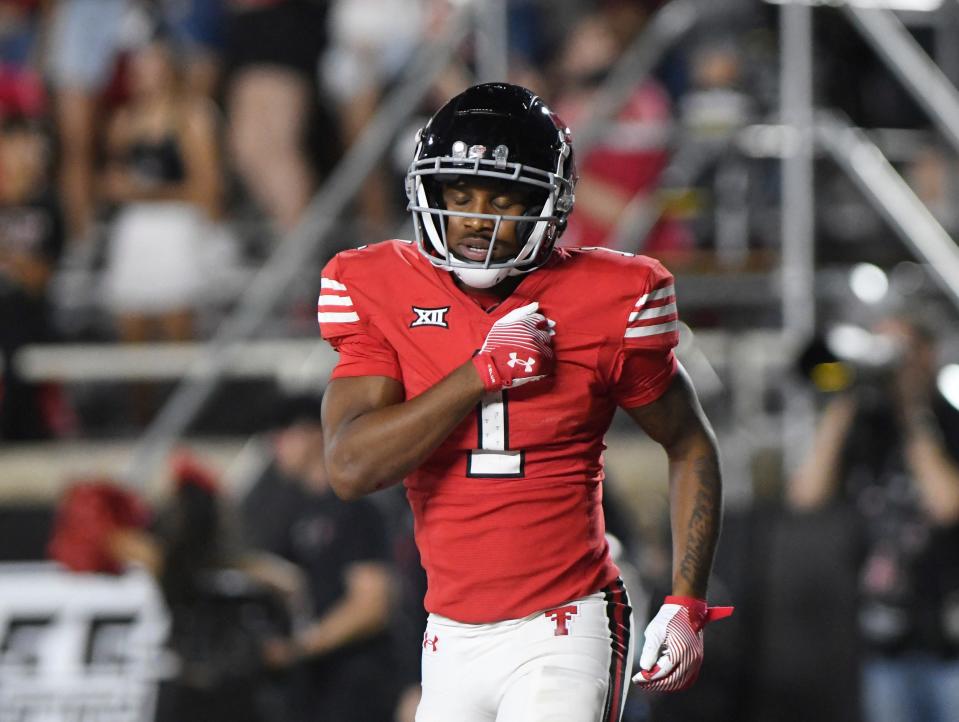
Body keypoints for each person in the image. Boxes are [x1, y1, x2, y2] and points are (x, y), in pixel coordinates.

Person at [317, 82, 732, 722]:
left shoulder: (611, 295)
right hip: (446, 632)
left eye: (503, 197)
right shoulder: (378, 287)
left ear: (549, 203)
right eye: (461, 195)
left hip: (564, 626)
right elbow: (349, 468)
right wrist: (478, 374)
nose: (479, 217)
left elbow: (689, 441)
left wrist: (686, 600)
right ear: (430, 195)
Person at [788, 315, 959, 722]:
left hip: (948, 640)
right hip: (876, 642)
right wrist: (842, 403)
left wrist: (912, 409)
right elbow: (805, 499)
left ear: (928, 355)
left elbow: (946, 503)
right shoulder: (864, 427)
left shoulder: (950, 422)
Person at [239, 393, 398, 722]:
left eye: (282, 432)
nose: (274, 445)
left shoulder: (355, 507)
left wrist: (300, 647)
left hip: (358, 680)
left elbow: (372, 604)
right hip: (319, 681)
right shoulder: (299, 512)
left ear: (313, 434)